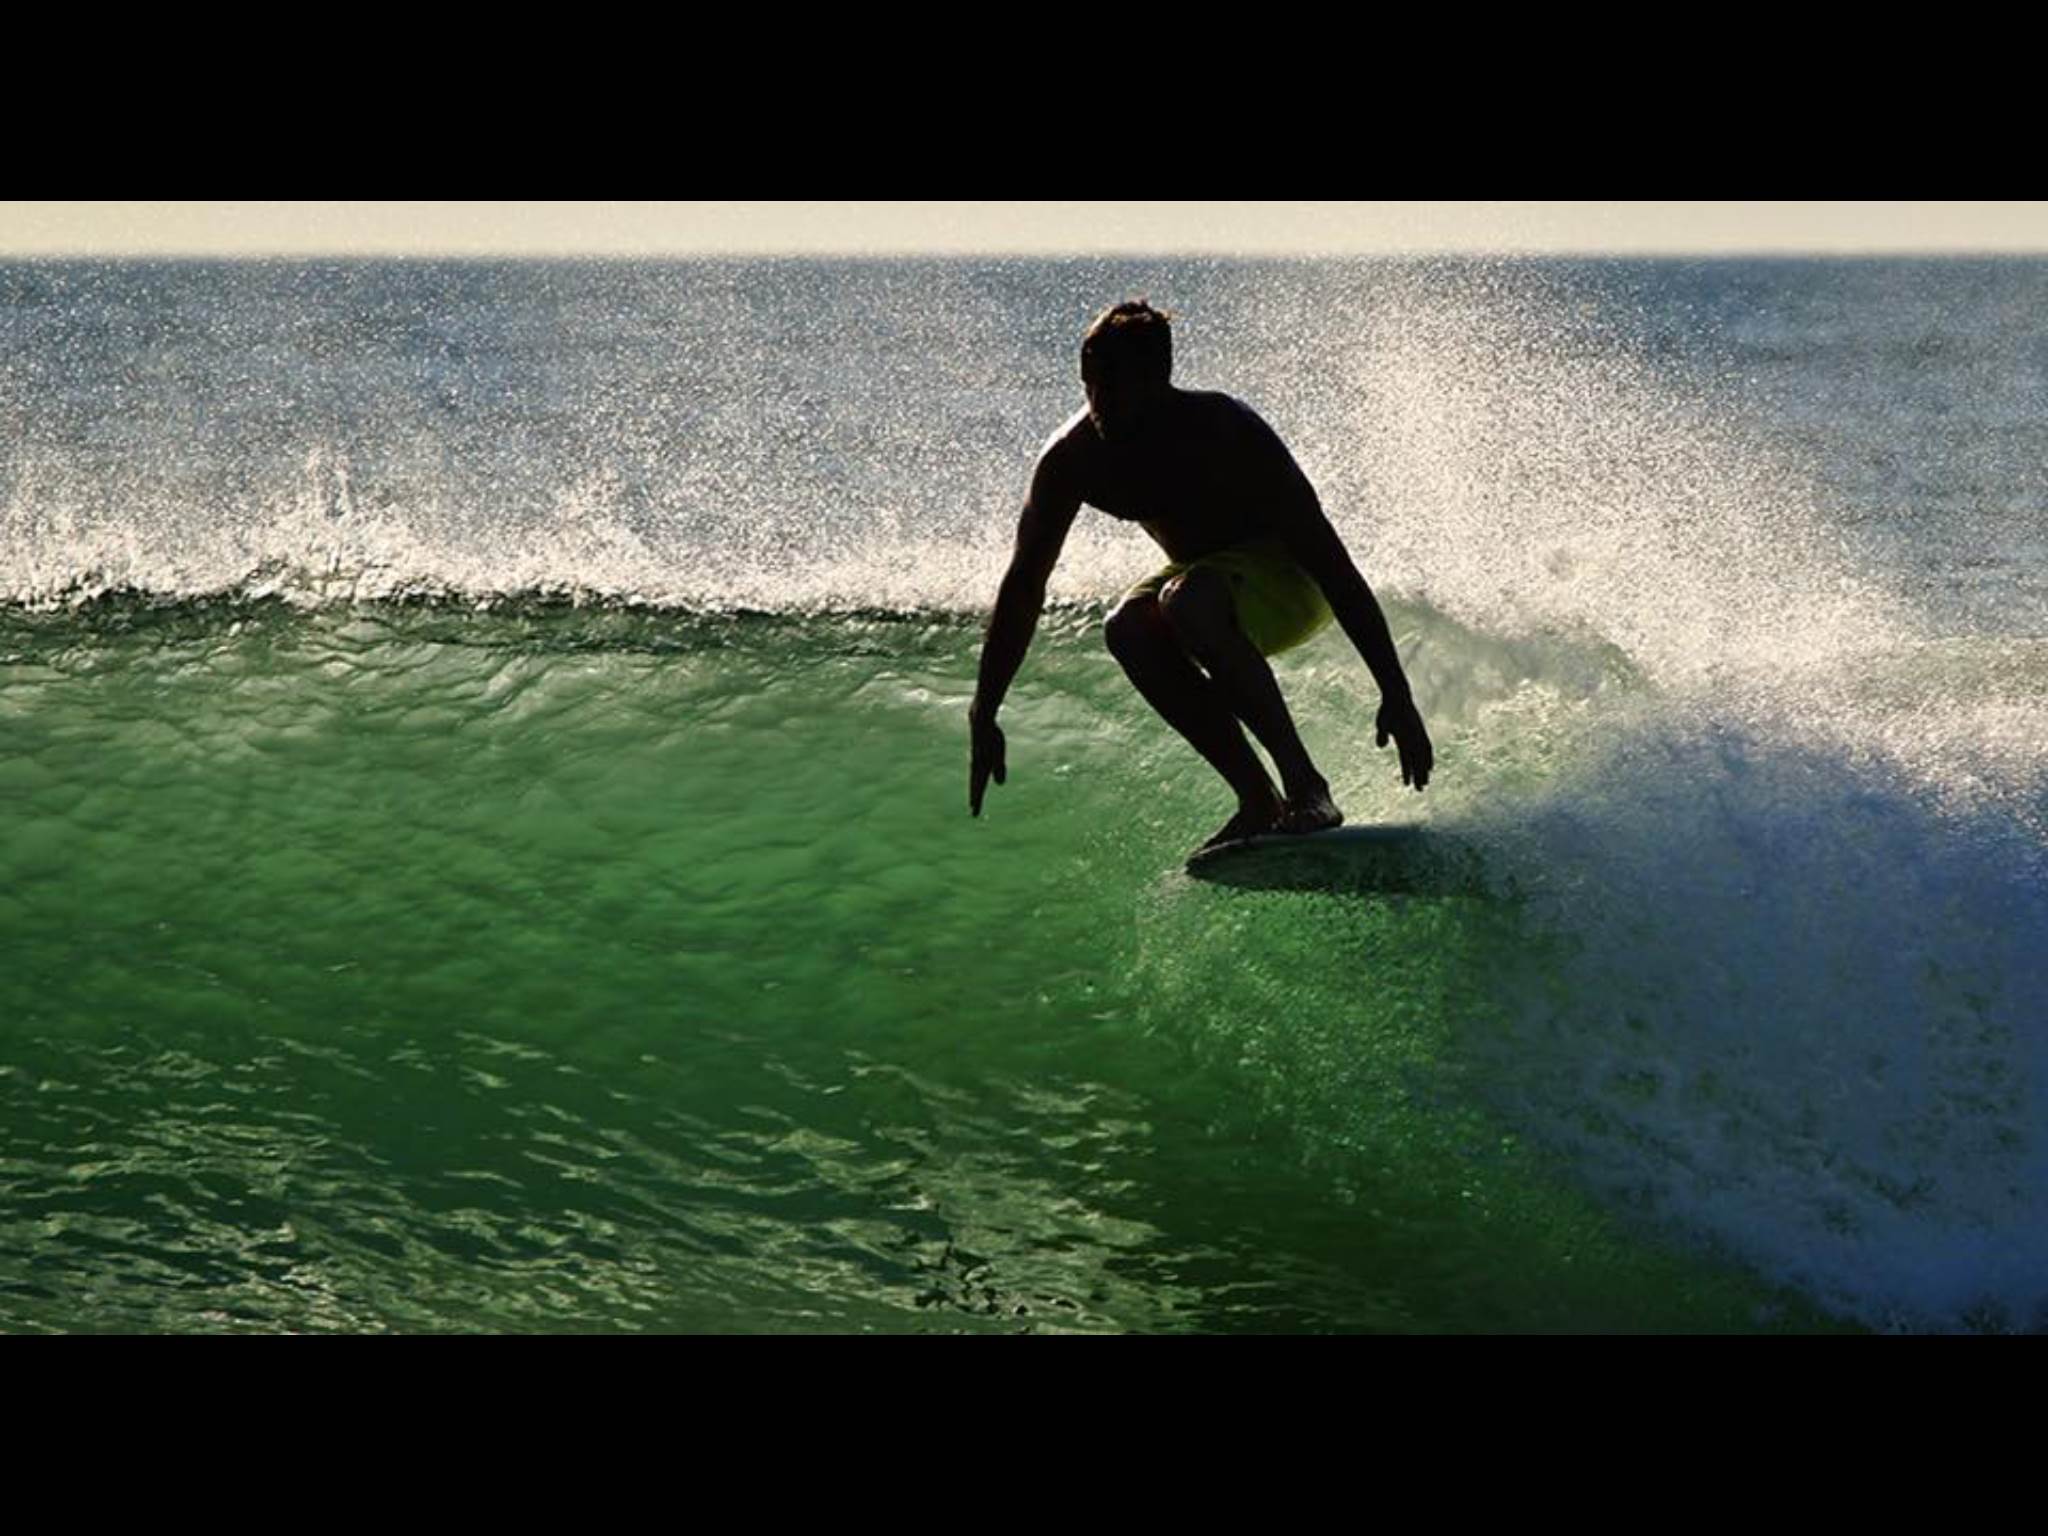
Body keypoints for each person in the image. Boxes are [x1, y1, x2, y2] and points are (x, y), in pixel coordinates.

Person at [968, 300, 1432, 855]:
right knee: (1127, 627)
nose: (1100, 404)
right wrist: (984, 710)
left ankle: (1307, 789)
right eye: (1091, 384)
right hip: (1203, 580)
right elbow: (1024, 586)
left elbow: (1332, 565)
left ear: (1158, 380)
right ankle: (1257, 799)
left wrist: (1395, 691)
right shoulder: (1073, 460)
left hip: (1291, 581)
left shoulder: (1225, 430)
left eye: (1116, 387)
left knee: (1189, 600)